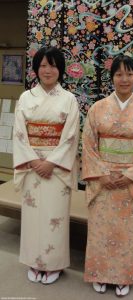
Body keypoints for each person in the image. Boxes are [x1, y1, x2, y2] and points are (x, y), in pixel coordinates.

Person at [82, 55, 133, 297]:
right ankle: (99, 273)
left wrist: (130, 175)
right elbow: (89, 145)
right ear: (112, 77)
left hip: (129, 181)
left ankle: (123, 277)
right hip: (102, 180)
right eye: (119, 74)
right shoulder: (97, 108)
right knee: (100, 229)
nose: (124, 79)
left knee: (126, 232)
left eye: (129, 74)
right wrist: (102, 175)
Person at [13, 46, 79, 284]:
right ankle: (33, 260)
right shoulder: (25, 98)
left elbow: (71, 136)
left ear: (60, 69)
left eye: (52, 65)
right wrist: (33, 160)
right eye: (42, 65)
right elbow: (19, 133)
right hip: (32, 165)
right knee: (32, 217)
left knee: (54, 216)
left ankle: (53, 266)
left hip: (55, 169)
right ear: (36, 69)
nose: (47, 70)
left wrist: (51, 162)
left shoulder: (69, 100)